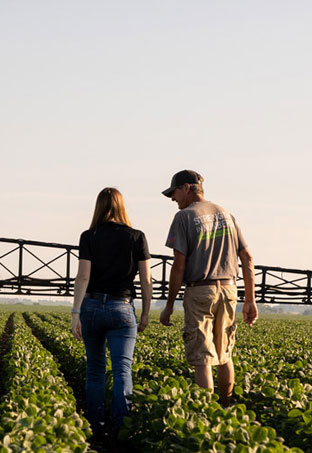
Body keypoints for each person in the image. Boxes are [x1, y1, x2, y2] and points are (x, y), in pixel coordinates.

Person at [158, 170, 258, 406]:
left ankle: (208, 416)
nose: (173, 199)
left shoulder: (183, 218)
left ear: (186, 188)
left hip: (200, 290)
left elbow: (179, 267)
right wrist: (250, 299)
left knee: (202, 358)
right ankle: (225, 407)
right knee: (225, 355)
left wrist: (169, 304)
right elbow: (248, 257)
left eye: (174, 193)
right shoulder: (227, 214)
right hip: (229, 289)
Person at [71, 188, 152, 438]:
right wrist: (146, 313)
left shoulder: (89, 236)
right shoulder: (137, 237)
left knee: (95, 369)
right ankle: (121, 426)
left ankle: (96, 424)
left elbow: (83, 276)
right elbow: (146, 280)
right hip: (122, 308)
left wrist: (75, 313)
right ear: (121, 207)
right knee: (122, 370)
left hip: (92, 307)